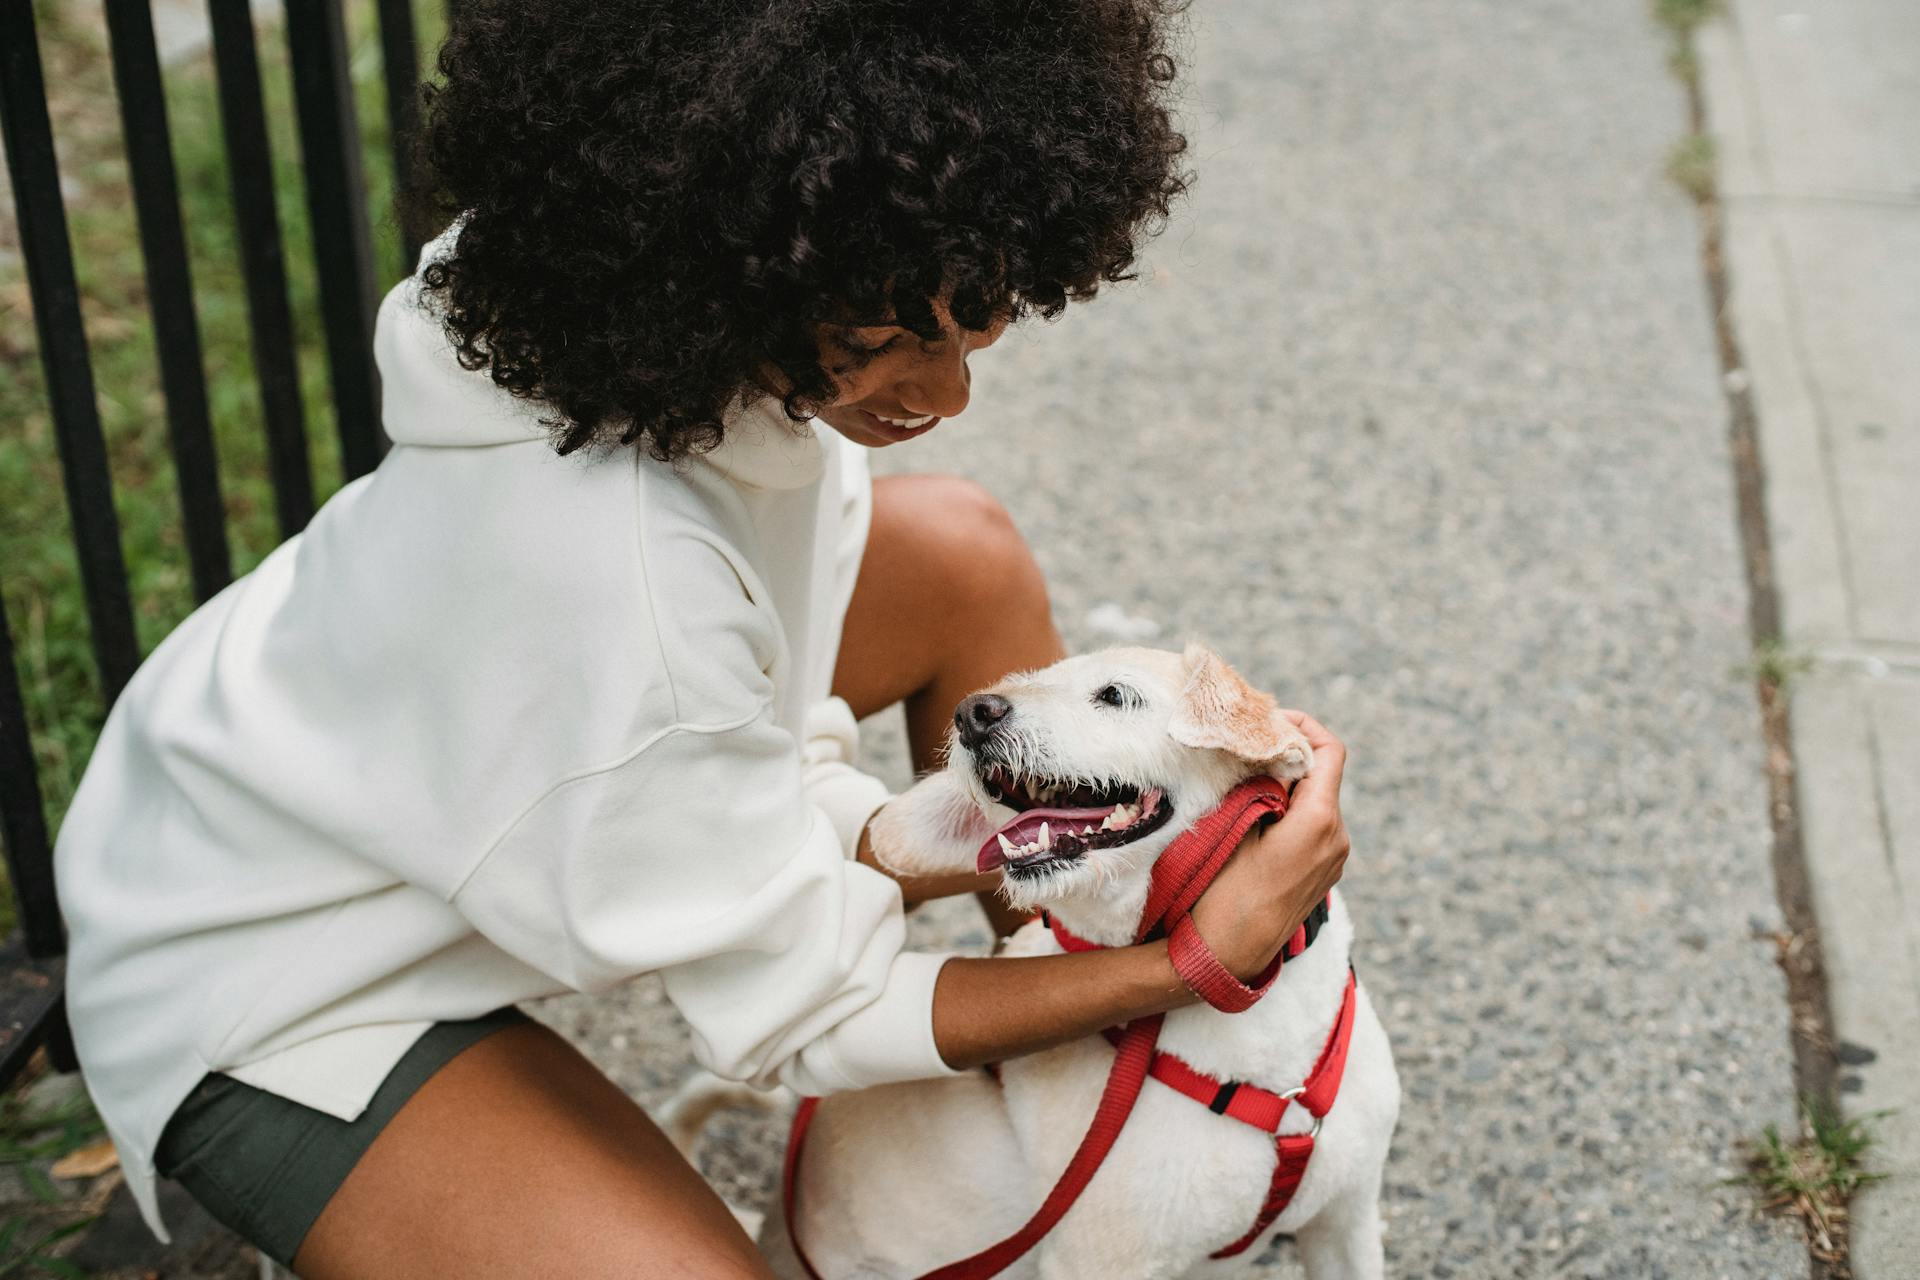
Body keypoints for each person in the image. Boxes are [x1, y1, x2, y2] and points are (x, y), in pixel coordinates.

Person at [52, 1, 1351, 1275]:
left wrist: (1023, 845)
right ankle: (1086, 997)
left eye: (981, 315)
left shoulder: (676, 336)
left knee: (961, 557)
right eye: (893, 340)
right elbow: (802, 1020)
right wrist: (1192, 965)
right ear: (723, 275)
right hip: (272, 965)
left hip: (344, 748)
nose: (953, 392)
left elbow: (756, 731)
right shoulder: (615, 585)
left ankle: (1059, 1006)